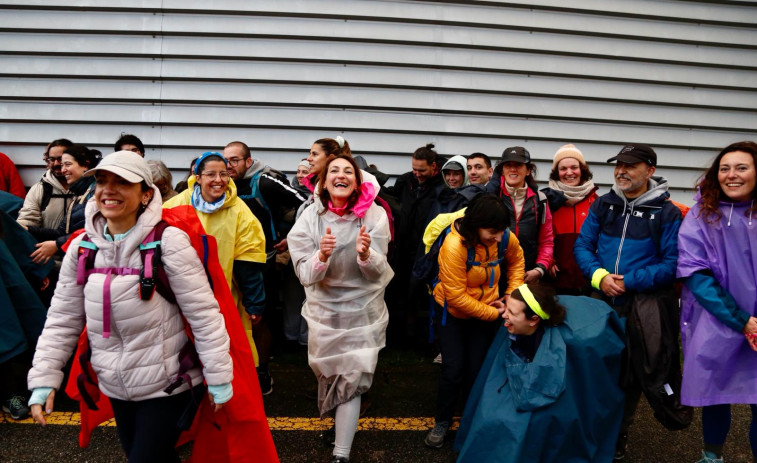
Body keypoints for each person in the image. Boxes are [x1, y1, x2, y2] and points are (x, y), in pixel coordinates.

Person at [27, 151, 234, 462]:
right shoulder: (82, 248)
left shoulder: (170, 242)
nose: (108, 190)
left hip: (169, 384)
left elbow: (203, 315)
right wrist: (44, 379)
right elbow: (62, 319)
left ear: (146, 194)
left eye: (122, 182)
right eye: (101, 180)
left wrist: (219, 376)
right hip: (116, 385)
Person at [574, 143, 684, 461]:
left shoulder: (667, 212)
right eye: (618, 164)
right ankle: (592, 427)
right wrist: (600, 278)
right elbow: (584, 244)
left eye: (630, 165)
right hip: (601, 299)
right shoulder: (604, 204)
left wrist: (629, 281)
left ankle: (620, 431)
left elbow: (672, 263)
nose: (621, 170)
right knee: (595, 367)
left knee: (632, 373)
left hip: (643, 305)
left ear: (649, 171)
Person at [288, 154, 392, 463]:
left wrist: (365, 255)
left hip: (362, 311)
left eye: (349, 170)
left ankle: (341, 453)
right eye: (334, 170)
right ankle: (339, 430)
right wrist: (320, 256)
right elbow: (304, 274)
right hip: (324, 312)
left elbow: (379, 270)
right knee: (331, 375)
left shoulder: (374, 217)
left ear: (358, 181)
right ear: (323, 180)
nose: (341, 175)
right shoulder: (309, 217)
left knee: (352, 379)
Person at [455, 284, 625, 462]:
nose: (504, 315)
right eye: (508, 308)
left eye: (512, 312)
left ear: (533, 319)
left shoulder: (558, 351)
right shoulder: (517, 327)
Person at [677, 141, 757, 463]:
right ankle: (712, 457)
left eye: (741, 167)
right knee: (714, 396)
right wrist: (743, 320)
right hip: (716, 320)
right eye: (724, 168)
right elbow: (696, 275)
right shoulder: (701, 215)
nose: (731, 175)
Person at [424, 194, 525, 449]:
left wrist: (511, 297)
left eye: (502, 231)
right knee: (453, 369)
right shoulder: (454, 246)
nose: (500, 237)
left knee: (477, 370)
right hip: (453, 315)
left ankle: (471, 421)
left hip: (488, 310)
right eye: (493, 232)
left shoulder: (504, 237)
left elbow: (517, 262)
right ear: (475, 225)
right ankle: (443, 421)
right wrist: (497, 313)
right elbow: (456, 298)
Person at [163, 151, 267, 367]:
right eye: (211, 174)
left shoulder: (239, 211)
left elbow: (249, 261)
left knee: (223, 354)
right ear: (197, 177)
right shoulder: (174, 206)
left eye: (224, 174)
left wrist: (254, 303)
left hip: (224, 297)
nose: (218, 180)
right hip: (179, 297)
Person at [223, 140, 307, 394]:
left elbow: (306, 202)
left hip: (263, 262)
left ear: (248, 161)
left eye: (234, 160)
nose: (229, 165)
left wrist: (290, 236)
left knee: (258, 319)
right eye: (226, 159)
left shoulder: (265, 181)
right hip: (229, 261)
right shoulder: (222, 183)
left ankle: (262, 374)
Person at [385, 143, 444, 344]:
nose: (417, 173)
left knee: (416, 293)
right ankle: (394, 334)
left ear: (433, 167)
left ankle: (414, 336)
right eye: (414, 169)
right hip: (402, 246)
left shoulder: (440, 186)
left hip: (424, 249)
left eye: (422, 170)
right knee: (395, 289)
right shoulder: (405, 181)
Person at [486, 146, 554, 286]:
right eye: (508, 165)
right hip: (493, 276)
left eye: (518, 165)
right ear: (502, 170)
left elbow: (546, 240)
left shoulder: (540, 200)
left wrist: (540, 269)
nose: (513, 169)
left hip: (528, 275)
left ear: (528, 170)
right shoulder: (491, 199)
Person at [26, 145, 102, 265]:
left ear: (86, 165)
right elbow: (61, 233)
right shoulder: (79, 195)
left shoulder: (95, 193)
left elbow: (96, 231)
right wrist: (28, 229)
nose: (63, 170)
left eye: (67, 164)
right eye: (62, 165)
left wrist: (57, 244)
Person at [541, 144, 598, 294]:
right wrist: (548, 261)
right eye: (563, 169)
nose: (569, 173)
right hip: (554, 281)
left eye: (574, 167)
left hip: (588, 281)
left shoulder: (596, 202)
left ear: (582, 170)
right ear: (556, 172)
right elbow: (539, 237)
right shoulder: (546, 201)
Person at [17, 138, 75, 231]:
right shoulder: (39, 189)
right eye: (52, 159)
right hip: (45, 244)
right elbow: (27, 220)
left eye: (60, 159)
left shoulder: (87, 188)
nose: (56, 163)